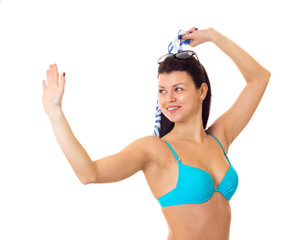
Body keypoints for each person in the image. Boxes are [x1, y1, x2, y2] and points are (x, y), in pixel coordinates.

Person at [42, 27, 270, 240]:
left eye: (178, 89)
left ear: (202, 91)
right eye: (162, 91)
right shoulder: (155, 150)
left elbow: (259, 79)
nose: (168, 98)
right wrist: (55, 113)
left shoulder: (219, 138)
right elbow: (89, 173)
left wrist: (214, 37)